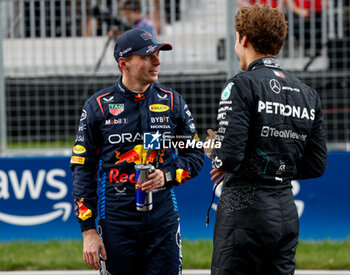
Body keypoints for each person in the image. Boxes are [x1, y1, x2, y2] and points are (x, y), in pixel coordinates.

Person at [70, 28, 204, 275]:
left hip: (163, 218)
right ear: (124, 63)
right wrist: (88, 231)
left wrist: (167, 175)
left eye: (158, 54)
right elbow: (82, 169)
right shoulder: (97, 106)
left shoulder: (173, 102)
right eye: (147, 56)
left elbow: (195, 156)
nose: (157, 61)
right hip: (116, 220)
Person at [205, 5, 327, 275]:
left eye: (237, 38)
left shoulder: (240, 84)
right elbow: (316, 165)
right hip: (285, 211)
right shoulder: (307, 93)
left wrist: (213, 151)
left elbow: (229, 157)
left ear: (244, 39)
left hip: (243, 209)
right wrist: (274, 168)